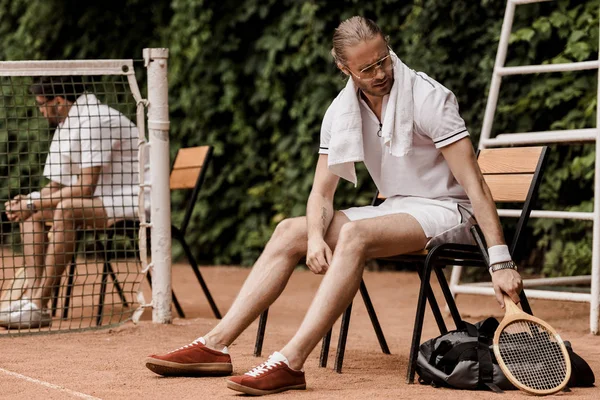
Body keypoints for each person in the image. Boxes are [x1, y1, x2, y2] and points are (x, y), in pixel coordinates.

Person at [145, 16, 523, 395]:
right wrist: (313, 237)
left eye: (384, 60)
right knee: (288, 230)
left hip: (450, 210)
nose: (380, 73)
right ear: (345, 68)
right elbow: (321, 194)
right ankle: (215, 344)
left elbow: (475, 186)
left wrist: (501, 260)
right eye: (367, 68)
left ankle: (290, 362)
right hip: (398, 207)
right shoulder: (341, 111)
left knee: (356, 233)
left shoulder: (428, 98)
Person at [1, 76, 142, 329]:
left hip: (134, 199)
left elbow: (85, 187)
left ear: (58, 101)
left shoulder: (96, 120)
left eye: (42, 104)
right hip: (102, 200)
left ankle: (39, 304)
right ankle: (32, 298)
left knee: (65, 210)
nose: (41, 111)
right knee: (33, 213)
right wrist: (29, 202)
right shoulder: (68, 122)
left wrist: (35, 203)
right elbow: (56, 185)